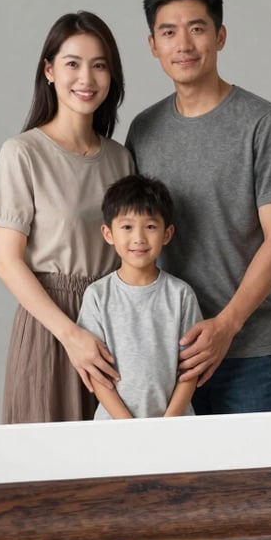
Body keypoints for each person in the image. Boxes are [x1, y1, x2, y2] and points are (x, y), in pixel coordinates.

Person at [125, 0, 271, 415]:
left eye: (196, 28)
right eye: (168, 32)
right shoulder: (143, 129)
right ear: (153, 45)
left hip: (246, 353)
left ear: (220, 36)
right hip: (164, 354)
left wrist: (226, 325)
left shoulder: (262, 123)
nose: (183, 44)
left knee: (250, 464)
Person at [0, 11, 133, 424]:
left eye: (99, 65)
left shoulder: (121, 159)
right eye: (73, 63)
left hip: (113, 325)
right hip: (51, 326)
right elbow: (7, 262)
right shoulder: (22, 153)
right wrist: (71, 336)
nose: (86, 78)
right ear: (49, 71)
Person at [76, 174, 202, 420]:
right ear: (108, 233)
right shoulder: (97, 296)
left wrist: (168, 423)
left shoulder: (181, 295)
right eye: (127, 227)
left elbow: (190, 369)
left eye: (150, 227)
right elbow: (96, 373)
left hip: (174, 426)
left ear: (167, 233)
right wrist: (128, 427)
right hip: (115, 427)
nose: (139, 238)